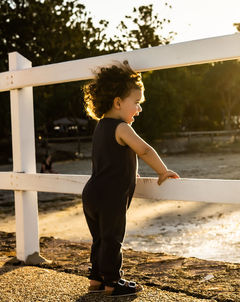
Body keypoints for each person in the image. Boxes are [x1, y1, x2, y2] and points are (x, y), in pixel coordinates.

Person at [81, 61, 179, 297]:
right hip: (110, 197)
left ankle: (96, 279)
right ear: (117, 102)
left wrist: (129, 171)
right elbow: (144, 150)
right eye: (136, 103)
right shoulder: (122, 127)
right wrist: (162, 171)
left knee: (100, 239)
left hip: (92, 193)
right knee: (113, 239)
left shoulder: (101, 126)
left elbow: (110, 158)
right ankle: (113, 282)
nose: (139, 109)